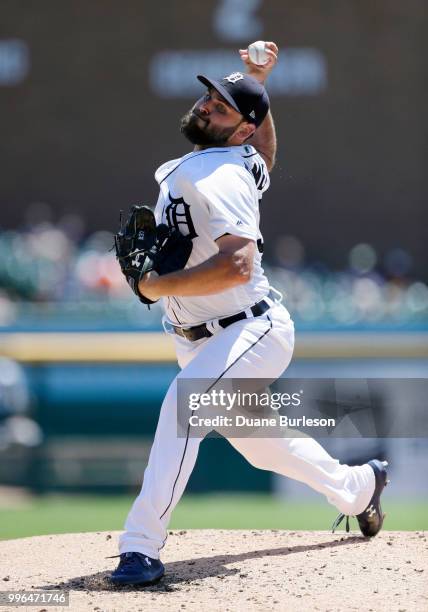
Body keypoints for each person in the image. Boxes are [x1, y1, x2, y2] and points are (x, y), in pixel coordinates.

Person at [110, 42, 388, 586]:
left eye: (221, 106)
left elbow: (238, 266)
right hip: (203, 334)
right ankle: (359, 485)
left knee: (182, 406)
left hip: (248, 327)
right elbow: (262, 150)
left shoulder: (222, 174)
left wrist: (154, 283)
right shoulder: (236, 159)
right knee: (261, 447)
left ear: (237, 130)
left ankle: (140, 547)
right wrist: (258, 85)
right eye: (210, 96)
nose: (208, 104)